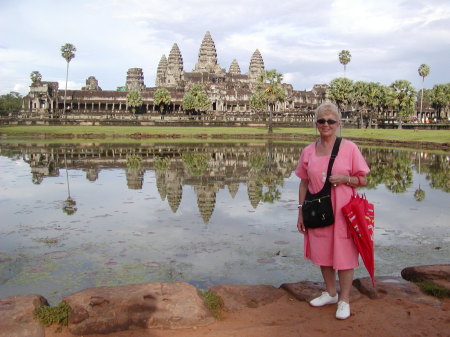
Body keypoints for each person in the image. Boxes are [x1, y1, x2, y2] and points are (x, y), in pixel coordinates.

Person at [295, 102, 370, 320]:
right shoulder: (308, 150)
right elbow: (303, 183)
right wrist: (300, 211)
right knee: (323, 251)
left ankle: (344, 299)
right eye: (321, 121)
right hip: (318, 210)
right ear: (316, 123)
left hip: (343, 211)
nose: (325, 125)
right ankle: (330, 292)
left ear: (338, 124)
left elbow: (363, 179)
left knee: (345, 253)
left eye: (330, 121)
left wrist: (346, 179)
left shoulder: (349, 148)